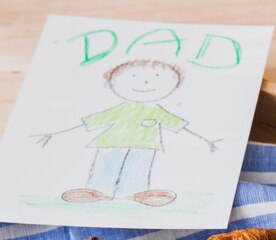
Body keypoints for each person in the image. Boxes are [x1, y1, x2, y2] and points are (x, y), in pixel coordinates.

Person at [33, 59, 221, 206]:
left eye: (157, 76)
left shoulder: (157, 111)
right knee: (106, 165)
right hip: (111, 143)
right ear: (112, 82)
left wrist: (206, 140)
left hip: (145, 146)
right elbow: (93, 121)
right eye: (133, 77)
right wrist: (54, 134)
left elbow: (178, 126)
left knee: (138, 168)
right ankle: (98, 190)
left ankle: (135, 192)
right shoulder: (121, 109)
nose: (146, 82)